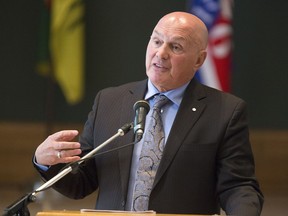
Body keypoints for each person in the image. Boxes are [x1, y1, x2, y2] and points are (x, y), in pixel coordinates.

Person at [33, 11, 264, 215]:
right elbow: (82, 182)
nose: (161, 53)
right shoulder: (109, 101)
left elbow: (237, 186)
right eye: (156, 41)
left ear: (199, 59)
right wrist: (46, 162)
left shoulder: (225, 111)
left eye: (175, 47)